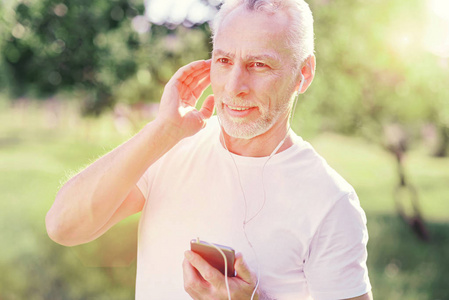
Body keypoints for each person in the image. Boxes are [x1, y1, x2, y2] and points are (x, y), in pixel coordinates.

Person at [46, 0, 373, 299]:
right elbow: (64, 226)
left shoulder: (331, 203)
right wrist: (161, 132)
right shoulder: (170, 147)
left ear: (304, 74)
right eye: (224, 60)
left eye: (259, 65)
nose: (234, 86)